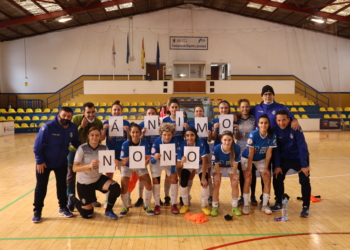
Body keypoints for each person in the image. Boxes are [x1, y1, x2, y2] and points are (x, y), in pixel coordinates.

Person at [32, 107, 80, 223]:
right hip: (44, 163)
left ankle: (63, 208)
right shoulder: (47, 127)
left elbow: (75, 142)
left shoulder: (73, 127)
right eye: (64, 115)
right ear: (59, 115)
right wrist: (39, 161)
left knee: (62, 186)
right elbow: (37, 146)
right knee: (41, 187)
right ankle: (37, 211)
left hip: (62, 162)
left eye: (69, 116)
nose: (66, 118)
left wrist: (86, 149)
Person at [69, 127, 121, 219]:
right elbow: (74, 168)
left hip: (97, 178)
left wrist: (114, 164)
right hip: (85, 182)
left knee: (115, 187)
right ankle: (72, 198)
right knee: (87, 215)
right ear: (88, 136)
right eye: (92, 135)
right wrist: (88, 165)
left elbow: (108, 166)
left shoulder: (104, 148)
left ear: (100, 136)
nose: (94, 137)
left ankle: (108, 210)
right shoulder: (82, 148)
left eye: (97, 135)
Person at [270, 110, 311, 217]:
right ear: (276, 121)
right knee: (277, 177)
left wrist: (304, 165)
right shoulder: (274, 130)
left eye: (284, 120)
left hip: (299, 157)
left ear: (289, 119)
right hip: (284, 158)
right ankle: (279, 202)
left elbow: (302, 147)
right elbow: (276, 150)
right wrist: (278, 166)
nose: (281, 123)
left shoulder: (296, 128)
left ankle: (306, 207)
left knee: (305, 180)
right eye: (279, 120)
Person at [67, 102, 103, 209]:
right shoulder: (76, 119)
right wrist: (81, 127)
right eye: (88, 112)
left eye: (93, 112)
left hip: (90, 151)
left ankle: (92, 199)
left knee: (92, 172)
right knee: (70, 174)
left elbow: (98, 139)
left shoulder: (98, 122)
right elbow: (71, 137)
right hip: (74, 150)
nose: (91, 114)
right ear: (83, 112)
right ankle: (70, 198)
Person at [240, 114, 277, 215]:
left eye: (265, 123)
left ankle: (264, 205)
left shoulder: (272, 135)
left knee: (267, 179)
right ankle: (246, 205)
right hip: (247, 158)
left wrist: (266, 168)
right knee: (248, 179)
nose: (263, 125)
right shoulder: (253, 134)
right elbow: (251, 153)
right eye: (261, 123)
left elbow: (269, 153)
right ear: (258, 124)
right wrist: (248, 169)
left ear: (268, 124)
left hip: (261, 159)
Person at [119, 123, 155, 216]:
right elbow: (122, 162)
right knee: (124, 184)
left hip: (140, 165)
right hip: (127, 166)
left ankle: (146, 206)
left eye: (137, 132)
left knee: (148, 183)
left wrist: (146, 161)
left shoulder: (145, 143)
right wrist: (124, 161)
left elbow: (147, 160)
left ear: (140, 133)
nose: (135, 134)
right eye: (133, 132)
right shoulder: (125, 144)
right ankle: (125, 207)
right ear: (130, 133)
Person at [100, 100, 130, 209]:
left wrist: (127, 131)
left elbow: (130, 140)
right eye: (114, 110)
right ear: (111, 111)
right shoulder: (106, 123)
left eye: (118, 110)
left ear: (121, 111)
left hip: (123, 153)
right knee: (108, 176)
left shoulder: (126, 123)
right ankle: (107, 198)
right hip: (110, 153)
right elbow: (102, 138)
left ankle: (127, 198)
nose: (116, 111)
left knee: (125, 176)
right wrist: (104, 129)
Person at [177, 126, 210, 214]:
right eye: (187, 135)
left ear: (196, 135)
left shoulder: (200, 142)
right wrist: (182, 161)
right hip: (188, 165)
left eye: (192, 135)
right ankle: (186, 204)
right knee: (183, 183)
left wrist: (203, 177)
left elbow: (204, 160)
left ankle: (204, 206)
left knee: (205, 183)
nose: (190, 137)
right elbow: (178, 164)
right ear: (185, 136)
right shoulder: (183, 144)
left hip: (200, 165)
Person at [161, 98, 187, 205]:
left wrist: (186, 127)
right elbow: (162, 134)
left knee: (179, 173)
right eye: (172, 107)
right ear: (169, 108)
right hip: (167, 149)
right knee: (168, 174)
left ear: (179, 108)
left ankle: (181, 196)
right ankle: (167, 196)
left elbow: (188, 135)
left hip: (180, 149)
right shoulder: (165, 120)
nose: (174, 109)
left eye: (176, 107)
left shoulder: (184, 119)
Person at [150, 123, 180, 215]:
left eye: (169, 134)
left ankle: (174, 204)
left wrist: (172, 172)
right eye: (164, 135)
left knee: (173, 179)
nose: (167, 137)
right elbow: (152, 159)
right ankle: (157, 204)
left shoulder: (176, 141)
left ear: (172, 134)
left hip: (170, 163)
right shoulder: (156, 141)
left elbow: (175, 158)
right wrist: (155, 157)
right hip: (158, 163)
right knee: (156, 182)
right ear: (161, 134)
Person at [211, 131, 241, 217]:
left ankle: (235, 206)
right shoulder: (216, 149)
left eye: (229, 140)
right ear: (221, 140)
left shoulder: (236, 148)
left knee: (235, 183)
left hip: (231, 165)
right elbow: (216, 163)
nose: (227, 142)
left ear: (232, 140)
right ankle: (215, 206)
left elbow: (235, 163)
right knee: (216, 183)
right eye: (225, 140)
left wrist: (235, 174)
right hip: (219, 165)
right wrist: (217, 175)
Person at [234, 99, 258, 208]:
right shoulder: (236, 119)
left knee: (251, 173)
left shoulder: (254, 119)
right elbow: (236, 137)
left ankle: (252, 195)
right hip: (240, 150)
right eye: (243, 107)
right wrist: (236, 131)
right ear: (240, 108)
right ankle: (243, 196)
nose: (245, 109)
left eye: (247, 106)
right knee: (242, 175)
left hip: (252, 150)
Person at [188, 105, 213, 205]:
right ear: (194, 113)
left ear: (203, 112)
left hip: (205, 150)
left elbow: (210, 140)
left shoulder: (208, 123)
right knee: (191, 174)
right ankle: (187, 196)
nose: (199, 113)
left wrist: (209, 134)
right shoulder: (190, 123)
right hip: (192, 151)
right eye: (197, 111)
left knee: (207, 174)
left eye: (200, 111)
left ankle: (210, 196)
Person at [137, 107, 163, 207]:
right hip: (143, 153)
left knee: (156, 176)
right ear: (146, 115)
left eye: (153, 113)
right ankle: (140, 197)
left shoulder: (160, 125)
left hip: (155, 153)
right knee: (141, 175)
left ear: (156, 115)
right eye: (149, 113)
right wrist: (142, 134)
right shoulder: (141, 125)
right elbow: (136, 139)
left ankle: (158, 197)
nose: (151, 115)